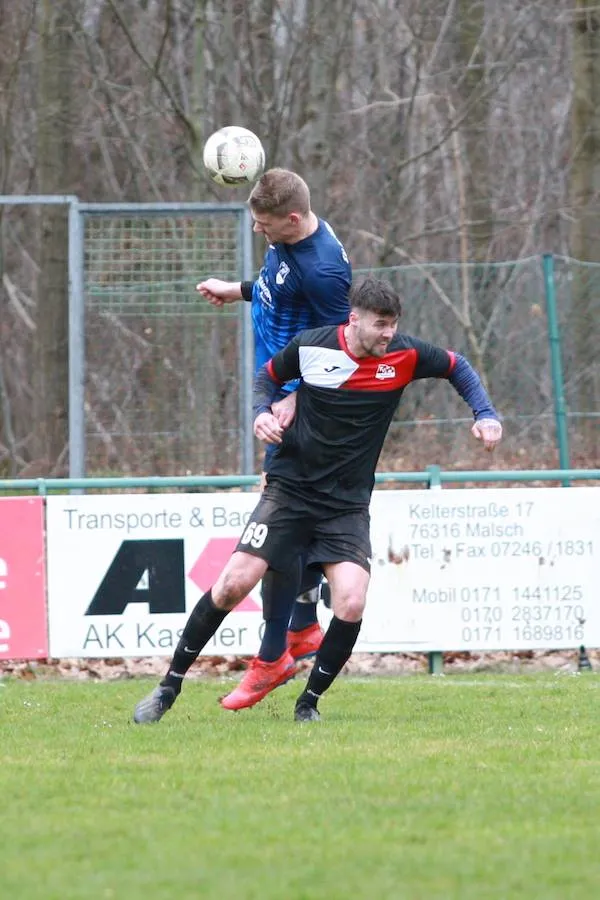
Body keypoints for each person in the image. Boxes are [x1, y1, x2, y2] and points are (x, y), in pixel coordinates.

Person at [134, 276, 502, 725]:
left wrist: (485, 414)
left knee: (351, 600)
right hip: (290, 491)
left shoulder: (404, 355)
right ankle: (168, 686)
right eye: (380, 324)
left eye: (393, 324)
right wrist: (260, 414)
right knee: (233, 582)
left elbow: (457, 365)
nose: (389, 333)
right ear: (354, 320)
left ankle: (308, 704)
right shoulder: (312, 346)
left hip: (345, 506)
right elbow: (265, 379)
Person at [195, 168, 351, 710]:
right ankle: (300, 630)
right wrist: (237, 290)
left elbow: (344, 351)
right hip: (287, 396)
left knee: (278, 522)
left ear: (291, 218)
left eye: (264, 225)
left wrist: (295, 397)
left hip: (308, 411)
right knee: (290, 521)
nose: (259, 232)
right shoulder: (292, 240)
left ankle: (272, 657)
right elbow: (277, 291)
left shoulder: (326, 271)